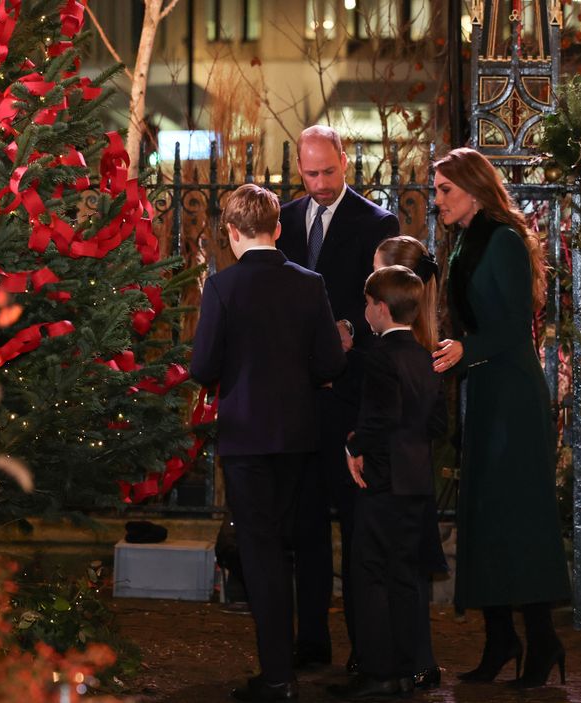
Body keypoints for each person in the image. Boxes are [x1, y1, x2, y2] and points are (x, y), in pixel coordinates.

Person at [191, 183, 346, 702]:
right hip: (299, 437)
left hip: (246, 438)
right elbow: (329, 363)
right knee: (291, 547)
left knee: (261, 555)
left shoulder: (222, 288)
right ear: (278, 228)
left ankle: (278, 675)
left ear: (232, 233)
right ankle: (289, 663)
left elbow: (203, 367)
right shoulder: (309, 284)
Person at [430, 147, 570, 688]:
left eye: (445, 189)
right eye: (437, 190)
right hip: (486, 390)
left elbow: (514, 326)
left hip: (511, 395)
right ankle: (500, 639)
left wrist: (467, 349)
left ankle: (543, 641)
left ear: (473, 188)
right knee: (485, 518)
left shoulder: (504, 240)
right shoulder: (466, 237)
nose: (437, 199)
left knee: (517, 518)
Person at [277, 124, 400, 672]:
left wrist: (348, 327)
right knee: (303, 524)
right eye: (311, 173)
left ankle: (362, 646)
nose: (321, 183)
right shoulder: (282, 220)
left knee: (354, 526)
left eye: (329, 171)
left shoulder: (378, 223)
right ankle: (312, 639)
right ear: (298, 169)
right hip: (298, 399)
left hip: (347, 397)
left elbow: (385, 303)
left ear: (345, 161)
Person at [326, 265, 445, 701]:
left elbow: (380, 417)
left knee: (370, 572)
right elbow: (437, 422)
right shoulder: (425, 355)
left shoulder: (379, 355)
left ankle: (378, 673)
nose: (365, 312)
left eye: (367, 304)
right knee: (404, 577)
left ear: (379, 308)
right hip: (416, 480)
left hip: (382, 478)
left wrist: (354, 446)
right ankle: (403, 670)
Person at [371, 235, 447, 690]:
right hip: (416, 470)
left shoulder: (404, 349)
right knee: (408, 570)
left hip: (396, 472)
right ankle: (416, 660)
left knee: (400, 572)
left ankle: (409, 661)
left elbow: (393, 414)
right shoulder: (426, 344)